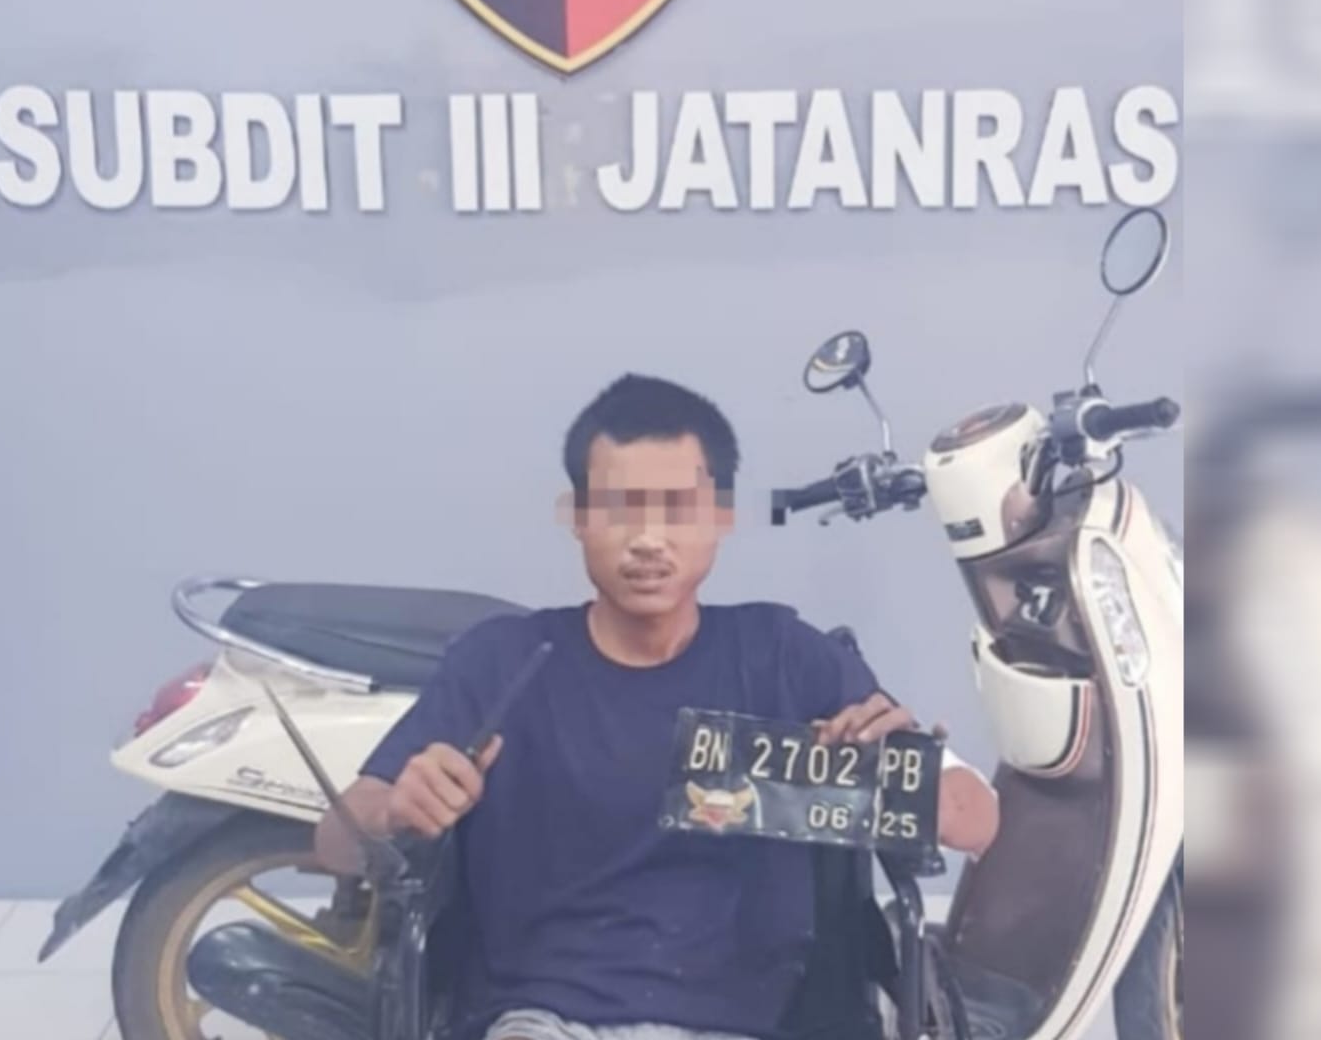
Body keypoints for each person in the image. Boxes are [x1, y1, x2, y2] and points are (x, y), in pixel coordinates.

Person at [317, 373, 1000, 1040]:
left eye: (676, 509)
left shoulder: (786, 656)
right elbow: (335, 840)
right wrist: (394, 809)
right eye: (619, 508)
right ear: (577, 518)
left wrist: (902, 778)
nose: (648, 538)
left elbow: (977, 821)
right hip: (541, 1018)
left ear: (721, 517)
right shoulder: (498, 662)